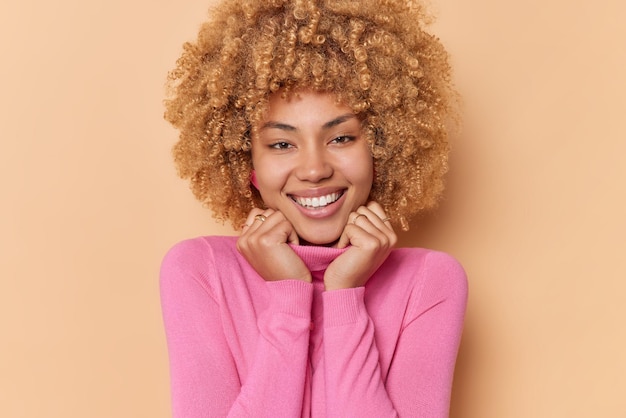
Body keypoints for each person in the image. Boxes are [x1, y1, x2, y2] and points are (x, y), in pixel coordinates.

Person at [160, 0, 468, 416]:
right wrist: (290, 295)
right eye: (282, 144)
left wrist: (345, 294)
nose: (314, 169)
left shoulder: (430, 282)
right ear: (245, 162)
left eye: (341, 138)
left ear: (383, 147)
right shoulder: (200, 272)